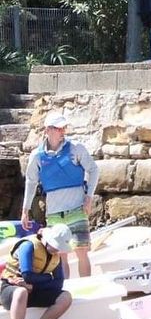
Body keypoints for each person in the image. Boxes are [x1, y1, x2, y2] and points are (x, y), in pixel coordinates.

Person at [21, 112, 99, 278]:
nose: (63, 132)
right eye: (58, 128)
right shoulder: (37, 156)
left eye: (64, 128)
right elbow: (31, 182)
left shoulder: (75, 148)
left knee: (81, 251)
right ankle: (65, 291)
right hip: (54, 213)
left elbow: (93, 170)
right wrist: (25, 209)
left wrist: (89, 197)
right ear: (48, 130)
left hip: (77, 209)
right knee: (60, 255)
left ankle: (87, 287)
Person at [1, 224, 73, 319]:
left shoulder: (56, 256)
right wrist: (45, 278)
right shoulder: (28, 246)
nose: (56, 250)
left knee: (66, 297)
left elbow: (59, 283)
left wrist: (32, 285)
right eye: (55, 246)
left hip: (33, 290)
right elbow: (27, 275)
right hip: (10, 290)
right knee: (21, 291)